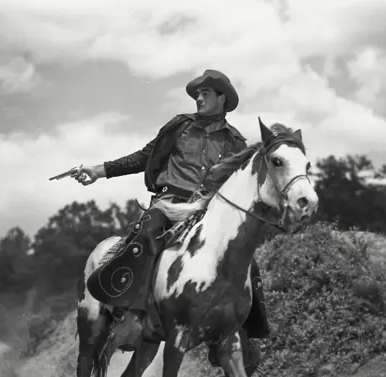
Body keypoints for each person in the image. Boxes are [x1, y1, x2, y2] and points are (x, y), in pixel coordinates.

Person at [74, 69, 270, 345]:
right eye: (197, 95)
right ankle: (133, 312)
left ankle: (248, 334)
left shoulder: (236, 142)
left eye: (205, 94)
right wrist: (100, 170)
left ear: (222, 98)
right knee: (146, 235)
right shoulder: (179, 126)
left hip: (208, 211)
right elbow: (144, 157)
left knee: (246, 259)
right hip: (168, 203)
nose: (198, 99)